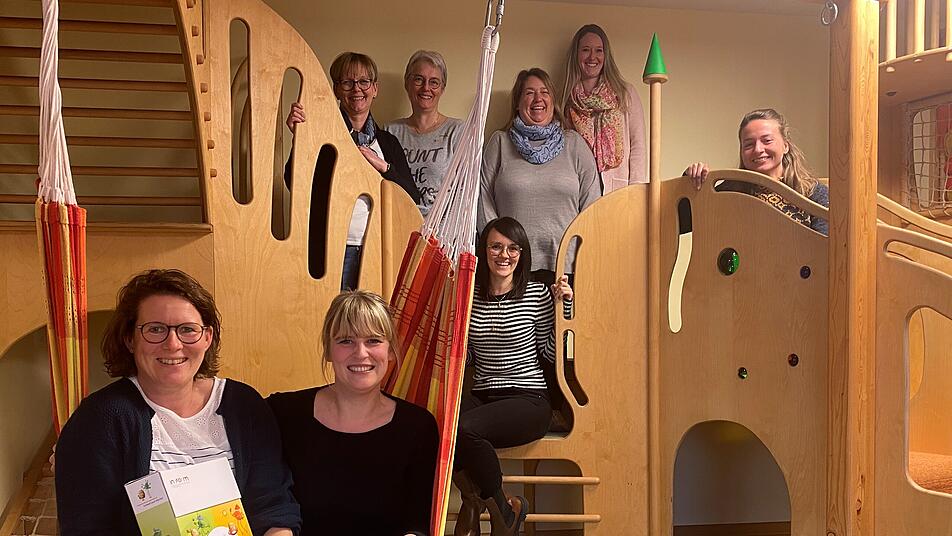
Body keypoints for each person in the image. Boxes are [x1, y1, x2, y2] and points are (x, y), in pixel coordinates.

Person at [55, 269, 301, 535]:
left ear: (207, 337)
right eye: (155, 329)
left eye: (187, 330)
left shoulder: (244, 405)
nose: (172, 344)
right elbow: (86, 528)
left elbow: (274, 507)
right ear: (129, 339)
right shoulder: (99, 419)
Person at [267, 290, 439, 536]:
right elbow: (267, 500)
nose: (360, 353)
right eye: (346, 341)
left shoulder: (418, 427)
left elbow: (418, 522)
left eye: (373, 340)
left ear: (391, 350)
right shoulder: (283, 413)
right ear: (328, 349)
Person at [452, 217, 573, 536]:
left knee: (463, 429)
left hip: (528, 399)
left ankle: (491, 509)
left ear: (522, 253)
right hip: (484, 395)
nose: (504, 255)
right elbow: (467, 357)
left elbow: (550, 354)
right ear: (484, 250)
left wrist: (564, 309)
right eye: (496, 246)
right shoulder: (470, 296)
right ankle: (496, 508)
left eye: (512, 248)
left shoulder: (537, 293)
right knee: (439, 424)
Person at [286, 52, 422, 290]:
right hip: (332, 250)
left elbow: (411, 197)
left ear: (375, 89)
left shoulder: (388, 143)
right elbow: (294, 183)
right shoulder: (322, 133)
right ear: (336, 90)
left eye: (364, 82)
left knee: (374, 314)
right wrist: (300, 139)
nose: (357, 89)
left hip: (380, 248)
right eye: (347, 82)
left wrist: (383, 167)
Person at [479, 68, 601, 286]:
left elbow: (592, 206)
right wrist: (498, 251)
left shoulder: (574, 144)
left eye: (545, 92)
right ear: (518, 103)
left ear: (553, 102)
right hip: (510, 269)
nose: (538, 99)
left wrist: (584, 255)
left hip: (565, 270)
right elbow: (482, 200)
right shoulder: (499, 143)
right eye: (529, 93)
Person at [683, 108, 830, 235]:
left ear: (786, 146)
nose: (758, 149)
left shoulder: (814, 192)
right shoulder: (730, 190)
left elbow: (825, 245)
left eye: (767, 140)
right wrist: (691, 184)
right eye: (749, 144)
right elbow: (682, 224)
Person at [562, 23, 647, 191]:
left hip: (618, 191)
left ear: (605, 55)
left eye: (599, 50)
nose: (592, 57)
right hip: (580, 191)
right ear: (576, 55)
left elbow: (638, 146)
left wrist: (635, 192)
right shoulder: (566, 99)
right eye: (585, 50)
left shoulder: (624, 93)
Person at [387, 50, 463, 215]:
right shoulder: (390, 132)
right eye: (418, 79)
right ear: (407, 83)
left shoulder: (457, 131)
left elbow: (466, 192)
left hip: (441, 228)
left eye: (434, 82)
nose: (426, 88)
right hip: (399, 224)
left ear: (442, 88)